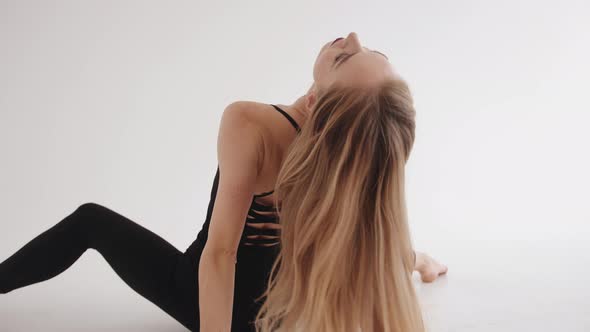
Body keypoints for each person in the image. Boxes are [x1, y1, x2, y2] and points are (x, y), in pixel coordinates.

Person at [0, 31, 447, 332]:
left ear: (321, 101)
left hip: (211, 304)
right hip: (281, 312)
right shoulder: (349, 163)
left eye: (346, 56)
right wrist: (418, 259)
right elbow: (371, 236)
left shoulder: (250, 124)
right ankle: (424, 260)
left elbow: (220, 254)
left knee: (90, 221)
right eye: (371, 50)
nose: (349, 36)